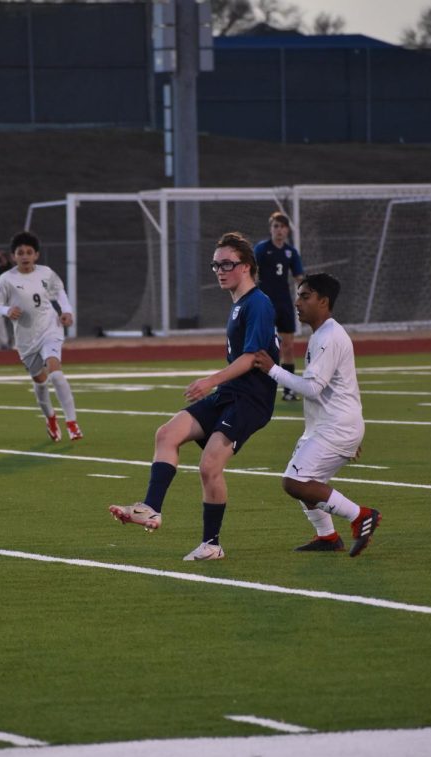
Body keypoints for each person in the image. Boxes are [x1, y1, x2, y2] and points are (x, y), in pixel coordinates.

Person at [109, 231, 279, 561]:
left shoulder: (257, 302)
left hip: (250, 399)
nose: (219, 270)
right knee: (167, 433)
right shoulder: (240, 303)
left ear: (245, 266)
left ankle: (211, 544)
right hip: (232, 393)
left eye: (226, 264)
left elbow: (253, 357)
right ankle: (151, 509)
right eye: (215, 264)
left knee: (209, 465)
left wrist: (210, 380)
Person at [254, 273, 381, 557]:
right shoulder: (324, 334)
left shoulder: (328, 337)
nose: (298, 302)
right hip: (331, 425)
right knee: (305, 480)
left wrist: (272, 369)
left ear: (324, 301)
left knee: (294, 482)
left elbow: (312, 388)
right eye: (298, 295)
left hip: (335, 426)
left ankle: (361, 515)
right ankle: (327, 537)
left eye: (305, 296)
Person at [0, 230, 83, 442]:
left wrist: (67, 312)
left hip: (50, 328)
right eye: (20, 252)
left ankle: (72, 423)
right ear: (14, 256)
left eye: (29, 252)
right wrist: (6, 311)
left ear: (36, 255)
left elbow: (60, 294)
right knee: (40, 382)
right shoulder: (6, 279)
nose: (24, 256)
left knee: (56, 373)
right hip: (25, 338)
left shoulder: (47, 273)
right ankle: (50, 418)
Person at [254, 211, 304, 401]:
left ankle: (289, 390)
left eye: (282, 226)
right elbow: (251, 272)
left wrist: (308, 294)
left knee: (289, 346)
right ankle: (258, 388)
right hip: (265, 304)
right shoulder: (261, 249)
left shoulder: (291, 252)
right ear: (271, 229)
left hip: (284, 304)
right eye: (275, 226)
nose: (279, 230)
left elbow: (299, 277)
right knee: (262, 346)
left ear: (288, 230)